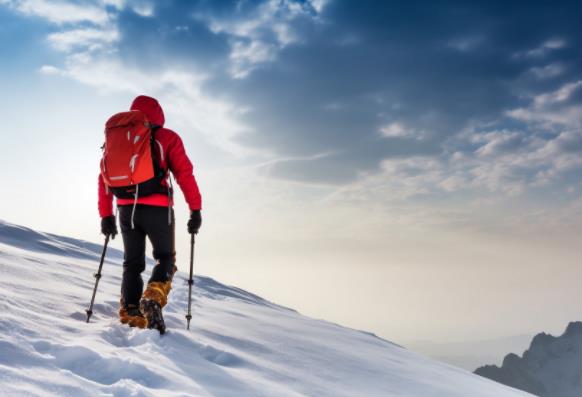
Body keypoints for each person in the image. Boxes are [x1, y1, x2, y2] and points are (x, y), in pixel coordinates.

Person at [98, 95, 202, 332]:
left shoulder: (119, 138)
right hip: (158, 208)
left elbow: (102, 179)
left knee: (131, 263)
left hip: (126, 209)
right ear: (159, 115)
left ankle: (130, 311)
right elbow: (184, 174)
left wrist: (106, 215)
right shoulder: (167, 138)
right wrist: (195, 209)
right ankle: (153, 297)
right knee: (165, 258)